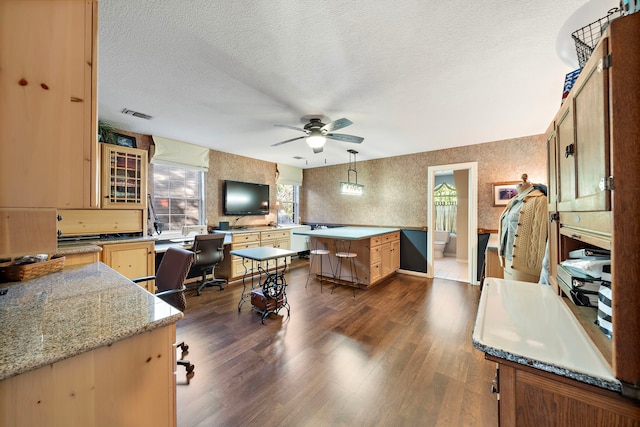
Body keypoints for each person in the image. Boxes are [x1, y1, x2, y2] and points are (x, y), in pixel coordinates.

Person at [498, 174, 548, 283]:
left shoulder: (541, 201)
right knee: (507, 296)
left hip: (524, 265)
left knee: (521, 297)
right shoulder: (513, 201)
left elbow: (546, 234)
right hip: (507, 258)